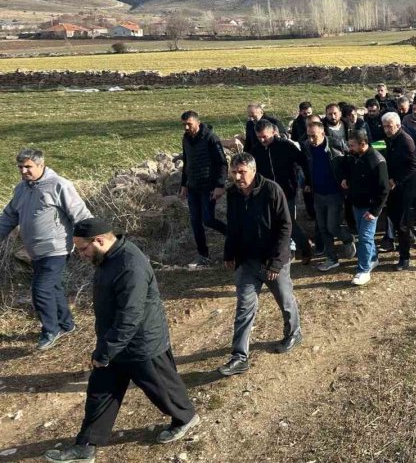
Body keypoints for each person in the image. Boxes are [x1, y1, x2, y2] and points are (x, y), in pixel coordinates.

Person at [44, 218, 200, 463]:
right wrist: (106, 347)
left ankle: (186, 417)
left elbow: (130, 316)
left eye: (83, 249)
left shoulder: (130, 265)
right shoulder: (108, 258)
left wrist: (105, 351)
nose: (81, 255)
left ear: (100, 240)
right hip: (115, 341)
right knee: (101, 392)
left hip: (142, 344)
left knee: (162, 389)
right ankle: (86, 446)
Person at [0, 148, 91, 351]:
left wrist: (90, 241)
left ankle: (51, 330)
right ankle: (66, 324)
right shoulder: (21, 189)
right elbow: (8, 216)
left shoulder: (59, 185)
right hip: (35, 251)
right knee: (53, 287)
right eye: (20, 167)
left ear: (41, 165)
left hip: (56, 248)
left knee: (41, 289)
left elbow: (81, 214)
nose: (24, 171)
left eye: (28, 167)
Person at [219, 154, 302, 377]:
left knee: (285, 299)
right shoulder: (233, 194)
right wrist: (229, 252)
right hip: (247, 261)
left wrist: (276, 262)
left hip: (273, 260)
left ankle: (293, 332)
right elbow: (233, 226)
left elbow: (285, 226)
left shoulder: (272, 191)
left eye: (242, 172)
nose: (237, 177)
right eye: (234, 172)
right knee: (244, 307)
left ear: (253, 171)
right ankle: (239, 357)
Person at [250, 119, 310, 262]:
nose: (262, 140)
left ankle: (304, 247)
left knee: (288, 222)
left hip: (286, 191)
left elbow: (303, 162)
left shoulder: (285, 146)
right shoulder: (256, 150)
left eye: (265, 136)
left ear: (273, 132)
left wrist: (306, 181)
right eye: (259, 137)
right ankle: (278, 253)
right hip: (266, 192)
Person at [300, 120, 354, 272]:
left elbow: (349, 161)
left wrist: (346, 179)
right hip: (318, 193)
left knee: (332, 226)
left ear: (323, 134)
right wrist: (306, 182)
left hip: (334, 193)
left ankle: (347, 238)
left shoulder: (336, 144)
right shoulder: (306, 147)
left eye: (314, 136)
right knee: (322, 228)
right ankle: (331, 258)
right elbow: (304, 166)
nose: (311, 140)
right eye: (309, 136)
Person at [341, 129, 390, 286]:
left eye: (352, 145)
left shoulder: (377, 160)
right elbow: (351, 172)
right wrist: (346, 180)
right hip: (357, 204)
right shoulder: (355, 157)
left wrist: (374, 211)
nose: (350, 148)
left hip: (370, 208)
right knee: (364, 236)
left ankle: (363, 270)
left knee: (365, 238)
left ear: (363, 144)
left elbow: (384, 189)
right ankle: (373, 258)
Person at [179, 111, 227, 266]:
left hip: (208, 186)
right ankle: (203, 255)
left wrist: (220, 185)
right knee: (195, 222)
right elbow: (187, 162)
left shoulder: (211, 138)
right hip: (193, 186)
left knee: (208, 219)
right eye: (184, 124)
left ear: (198, 123)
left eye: (189, 124)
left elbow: (222, 163)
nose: (186, 127)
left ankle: (234, 236)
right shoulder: (186, 138)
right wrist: (183, 185)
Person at [380, 112, 416, 270]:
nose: (387, 129)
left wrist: (396, 180)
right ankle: (409, 237)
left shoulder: (405, 140)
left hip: (404, 187)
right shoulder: (389, 140)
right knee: (393, 218)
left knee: (402, 223)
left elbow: (415, 165)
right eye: (384, 127)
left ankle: (405, 257)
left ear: (397, 125)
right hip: (392, 187)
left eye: (389, 126)